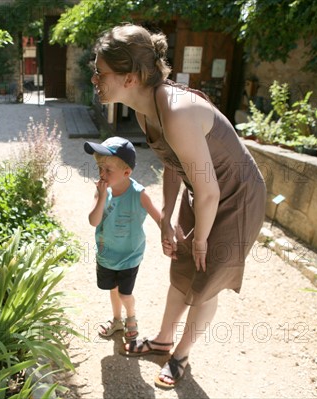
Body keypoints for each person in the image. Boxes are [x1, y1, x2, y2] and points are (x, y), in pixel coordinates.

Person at [91, 24, 267, 389]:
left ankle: (181, 354)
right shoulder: (145, 110)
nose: (94, 78)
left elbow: (211, 193)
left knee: (205, 282)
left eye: (100, 71)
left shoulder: (177, 110)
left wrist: (200, 238)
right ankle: (162, 340)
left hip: (235, 197)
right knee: (181, 270)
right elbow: (174, 164)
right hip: (202, 190)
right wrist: (167, 219)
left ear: (131, 76)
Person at [85, 136, 161, 341]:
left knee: (125, 294)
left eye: (108, 170)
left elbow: (159, 218)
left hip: (129, 256)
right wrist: (101, 197)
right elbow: (93, 220)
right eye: (100, 168)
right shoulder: (101, 191)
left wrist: (170, 237)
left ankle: (131, 317)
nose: (102, 174)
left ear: (127, 172)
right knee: (113, 289)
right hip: (106, 255)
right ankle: (117, 320)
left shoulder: (139, 194)